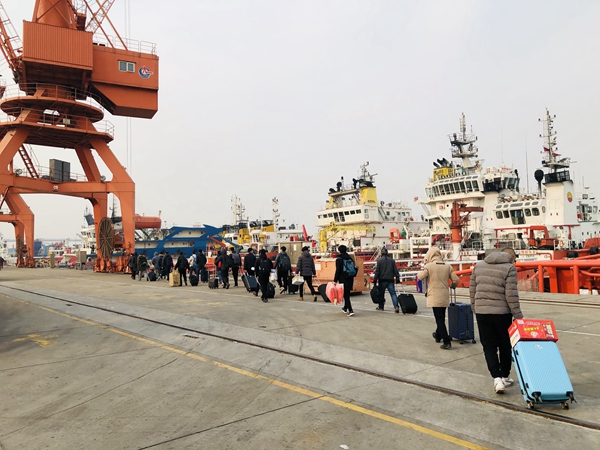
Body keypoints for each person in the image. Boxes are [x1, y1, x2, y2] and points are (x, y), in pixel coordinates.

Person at [470, 247, 524, 394]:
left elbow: (472, 290)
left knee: (489, 346)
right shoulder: (510, 268)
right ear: (511, 258)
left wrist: (475, 308)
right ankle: (505, 376)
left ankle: (497, 379)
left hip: (482, 312)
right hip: (502, 313)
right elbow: (511, 295)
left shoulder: (478, 266)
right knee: (505, 345)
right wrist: (518, 316)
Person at [417, 246, 459, 350]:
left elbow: (420, 276)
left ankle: (446, 341)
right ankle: (438, 335)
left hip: (434, 296)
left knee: (439, 319)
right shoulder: (447, 266)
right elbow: (456, 280)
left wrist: (423, 268)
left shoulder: (429, 266)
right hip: (444, 296)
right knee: (441, 317)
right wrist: (452, 286)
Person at [372, 248, 401, 313]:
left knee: (381, 294)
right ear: (387, 253)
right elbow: (395, 270)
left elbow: (377, 272)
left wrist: (375, 280)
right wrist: (397, 278)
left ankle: (381, 307)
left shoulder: (379, 261)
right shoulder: (392, 260)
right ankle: (396, 306)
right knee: (393, 294)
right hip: (390, 280)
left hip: (382, 280)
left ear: (381, 253)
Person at [334, 245, 356, 316]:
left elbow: (338, 271)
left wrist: (335, 280)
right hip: (350, 278)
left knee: (346, 296)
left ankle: (351, 310)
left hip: (343, 279)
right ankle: (345, 308)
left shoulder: (339, 259)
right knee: (347, 294)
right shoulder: (350, 258)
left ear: (339, 251)